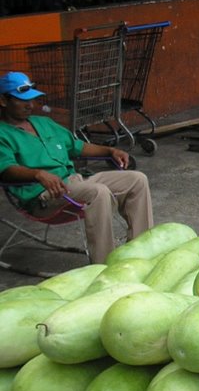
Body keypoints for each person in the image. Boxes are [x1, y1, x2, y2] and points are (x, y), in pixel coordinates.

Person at [0, 72, 153, 263]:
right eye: (22, 100)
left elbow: (78, 147)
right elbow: (5, 170)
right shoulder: (2, 134)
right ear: (3, 101)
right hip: (45, 195)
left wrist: (109, 150)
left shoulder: (43, 123)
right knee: (98, 192)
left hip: (75, 182)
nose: (29, 105)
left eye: (31, 99)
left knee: (137, 179)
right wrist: (38, 174)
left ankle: (142, 252)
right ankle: (104, 264)